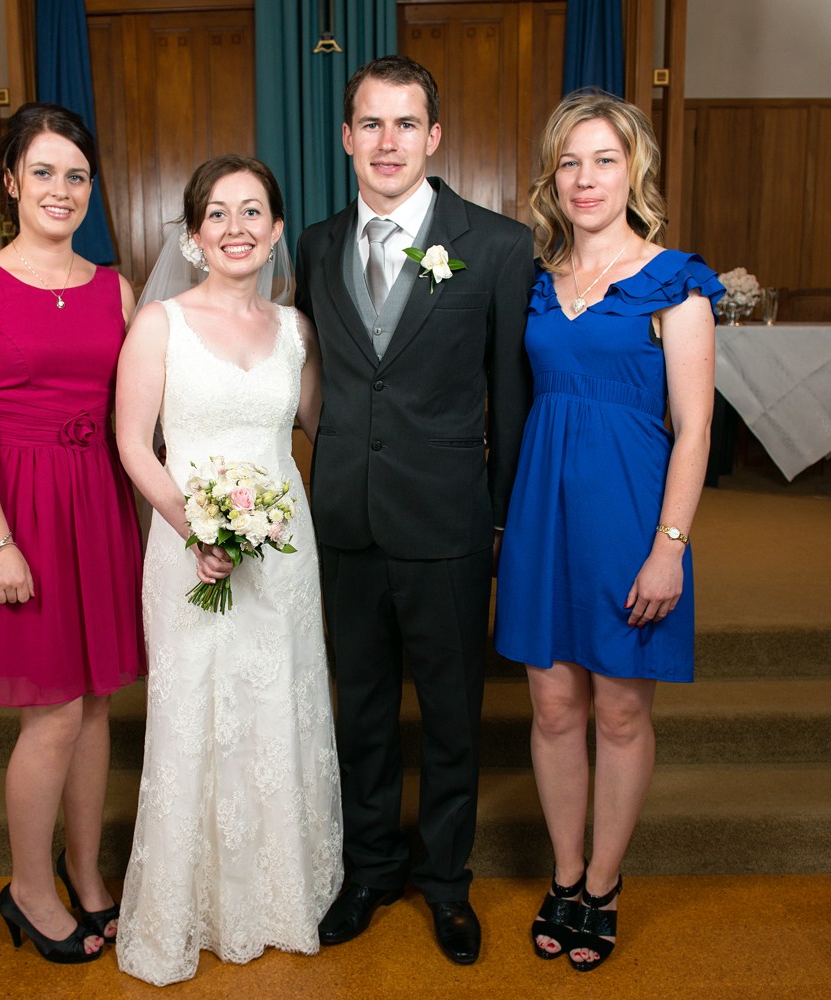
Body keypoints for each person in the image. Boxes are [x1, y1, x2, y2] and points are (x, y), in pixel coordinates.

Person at [294, 56, 536, 966]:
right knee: (360, 710)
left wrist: (503, 524)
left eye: (406, 124)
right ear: (346, 137)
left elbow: (511, 399)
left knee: (450, 714)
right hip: (346, 520)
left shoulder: (498, 245)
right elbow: (318, 377)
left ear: (434, 136)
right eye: (371, 124)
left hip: (448, 524)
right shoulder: (316, 245)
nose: (387, 142)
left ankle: (444, 881)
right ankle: (369, 870)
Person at [494, 89, 722, 973]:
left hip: (631, 517)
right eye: (570, 162)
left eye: (604, 160)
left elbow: (694, 431)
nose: (586, 178)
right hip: (542, 515)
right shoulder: (535, 284)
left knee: (621, 711)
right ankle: (564, 875)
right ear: (553, 178)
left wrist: (670, 547)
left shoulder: (677, 283)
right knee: (554, 708)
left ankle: (604, 883)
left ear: (635, 171)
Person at [113, 155, 342, 986]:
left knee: (279, 700)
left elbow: (324, 428)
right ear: (193, 234)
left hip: (284, 550)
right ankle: (191, 902)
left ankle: (280, 894)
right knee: (196, 708)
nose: (235, 227)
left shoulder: (297, 331)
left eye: (252, 212)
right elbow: (134, 444)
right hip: (187, 548)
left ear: (276, 231)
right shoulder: (159, 325)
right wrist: (193, 528)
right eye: (217, 213)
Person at [0, 102, 144, 964]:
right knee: (51, 715)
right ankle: (27, 888)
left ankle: (85, 874)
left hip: (97, 505)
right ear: (12, 181)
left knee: (94, 705)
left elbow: (139, 413)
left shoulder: (114, 289)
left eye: (77, 175)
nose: (63, 189)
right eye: (45, 172)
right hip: (19, 513)